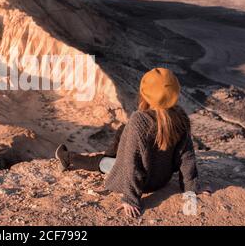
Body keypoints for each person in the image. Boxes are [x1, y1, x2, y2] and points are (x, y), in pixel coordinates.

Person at [55, 67, 202, 218]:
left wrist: (131, 199)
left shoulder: (139, 121)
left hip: (143, 183)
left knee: (102, 161)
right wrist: (191, 186)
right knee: (123, 129)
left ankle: (67, 158)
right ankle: (110, 153)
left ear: (144, 94)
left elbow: (131, 163)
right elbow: (187, 156)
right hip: (161, 179)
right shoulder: (181, 117)